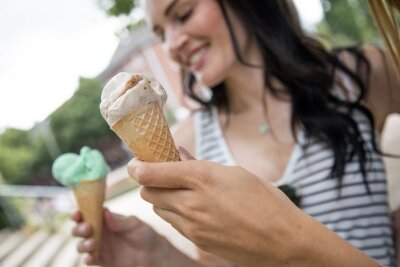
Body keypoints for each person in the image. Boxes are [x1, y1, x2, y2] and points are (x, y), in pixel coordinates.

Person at [72, 0, 400, 266]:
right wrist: (159, 257)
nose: (172, 45)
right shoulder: (187, 143)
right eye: (162, 33)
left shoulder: (361, 75)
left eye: (183, 14)